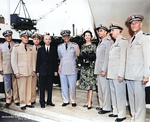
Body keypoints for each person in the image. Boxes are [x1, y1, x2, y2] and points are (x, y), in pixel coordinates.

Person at [125, 13, 150, 122]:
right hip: (130, 75)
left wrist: (146, 75)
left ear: (140, 24)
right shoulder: (130, 40)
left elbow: (147, 58)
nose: (133, 25)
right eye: (132, 24)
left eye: (136, 23)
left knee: (139, 101)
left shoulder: (145, 38)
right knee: (132, 99)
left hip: (139, 75)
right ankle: (134, 118)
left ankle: (139, 120)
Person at [107, 23, 128, 122]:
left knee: (120, 94)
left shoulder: (123, 42)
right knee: (114, 93)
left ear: (119, 31)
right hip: (112, 73)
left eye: (113, 30)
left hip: (118, 74)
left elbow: (123, 59)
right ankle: (115, 111)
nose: (111, 32)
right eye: (111, 30)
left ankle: (122, 114)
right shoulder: (114, 43)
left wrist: (121, 74)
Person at [11, 30, 35, 110]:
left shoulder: (30, 48)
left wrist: (33, 70)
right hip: (20, 72)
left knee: (29, 88)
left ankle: (28, 102)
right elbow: (13, 61)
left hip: (29, 71)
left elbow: (33, 60)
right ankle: (22, 103)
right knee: (21, 89)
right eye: (24, 37)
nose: (26, 39)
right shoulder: (16, 48)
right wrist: (16, 72)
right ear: (21, 38)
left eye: (27, 37)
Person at [94, 24, 113, 114]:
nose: (99, 32)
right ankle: (102, 105)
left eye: (101, 31)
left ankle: (107, 107)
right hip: (98, 69)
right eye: (98, 31)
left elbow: (107, 57)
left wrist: (104, 69)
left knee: (105, 89)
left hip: (103, 70)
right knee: (100, 89)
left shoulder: (108, 42)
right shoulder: (101, 42)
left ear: (106, 32)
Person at [57, 30, 80, 107]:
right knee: (64, 86)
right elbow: (60, 58)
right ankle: (65, 100)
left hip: (72, 69)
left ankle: (73, 100)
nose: (66, 38)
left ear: (69, 37)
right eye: (64, 36)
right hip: (63, 69)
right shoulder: (59, 47)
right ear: (62, 37)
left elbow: (77, 56)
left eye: (67, 36)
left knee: (72, 86)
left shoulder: (75, 46)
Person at [36, 34, 58, 108]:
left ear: (50, 40)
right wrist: (37, 71)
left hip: (50, 71)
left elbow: (55, 61)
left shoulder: (54, 49)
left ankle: (49, 101)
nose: (47, 40)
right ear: (44, 40)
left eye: (49, 39)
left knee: (50, 87)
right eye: (46, 39)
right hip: (42, 71)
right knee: (41, 87)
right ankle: (42, 102)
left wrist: (55, 70)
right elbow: (38, 61)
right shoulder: (40, 49)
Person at [77, 30, 96, 110]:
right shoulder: (82, 46)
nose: (87, 37)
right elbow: (80, 56)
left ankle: (89, 102)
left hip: (90, 68)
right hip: (84, 68)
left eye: (89, 35)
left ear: (91, 37)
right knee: (86, 86)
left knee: (90, 85)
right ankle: (88, 101)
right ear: (84, 37)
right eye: (86, 35)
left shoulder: (94, 46)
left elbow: (95, 57)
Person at [0, 30, 19, 107]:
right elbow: (0, 58)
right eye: (7, 36)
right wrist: (1, 68)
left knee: (15, 85)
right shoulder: (1, 46)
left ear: (11, 36)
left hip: (15, 69)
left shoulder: (16, 45)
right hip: (6, 68)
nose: (8, 37)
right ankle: (8, 99)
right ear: (4, 37)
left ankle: (16, 99)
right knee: (7, 85)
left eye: (10, 36)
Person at [31, 33, 42, 105]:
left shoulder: (43, 48)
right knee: (33, 86)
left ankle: (42, 100)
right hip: (33, 70)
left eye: (38, 39)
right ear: (32, 40)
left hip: (41, 70)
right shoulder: (30, 48)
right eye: (35, 39)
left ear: (40, 40)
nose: (36, 40)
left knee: (42, 85)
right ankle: (32, 99)